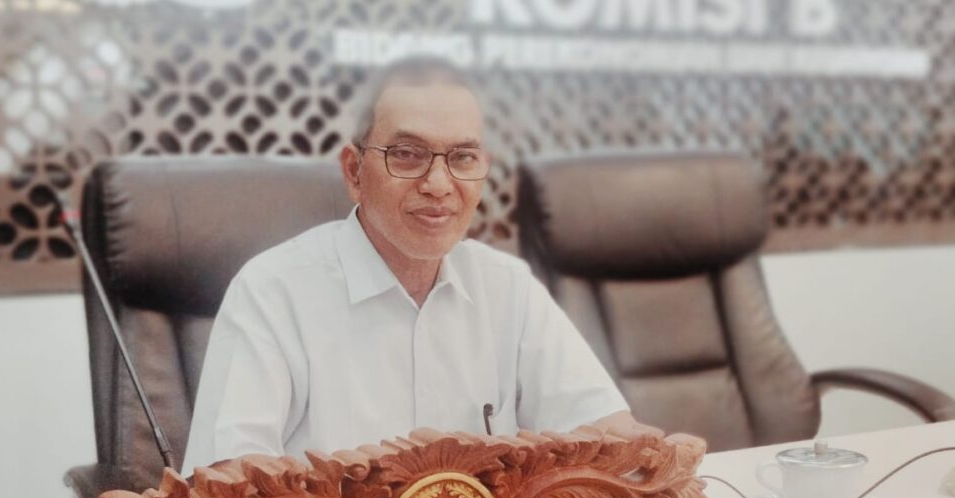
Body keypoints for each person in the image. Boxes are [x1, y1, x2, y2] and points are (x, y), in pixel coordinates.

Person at [182, 57, 659, 475]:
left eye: (463, 157)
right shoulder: (272, 291)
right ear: (354, 171)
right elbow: (225, 487)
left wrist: (656, 462)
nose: (438, 184)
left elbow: (609, 438)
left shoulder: (507, 286)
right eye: (407, 155)